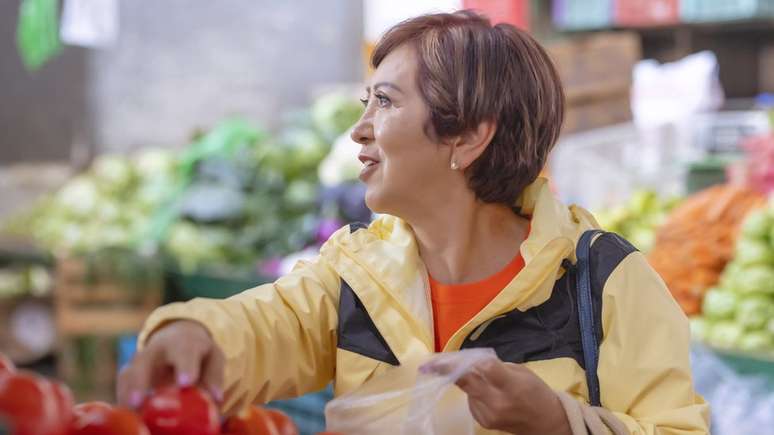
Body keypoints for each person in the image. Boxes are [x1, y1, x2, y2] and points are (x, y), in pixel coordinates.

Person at [118, 10, 709, 434]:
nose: (360, 129)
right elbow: (262, 326)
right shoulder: (355, 271)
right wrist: (192, 334)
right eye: (365, 102)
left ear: (468, 135)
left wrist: (558, 422)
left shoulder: (604, 279)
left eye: (387, 102)